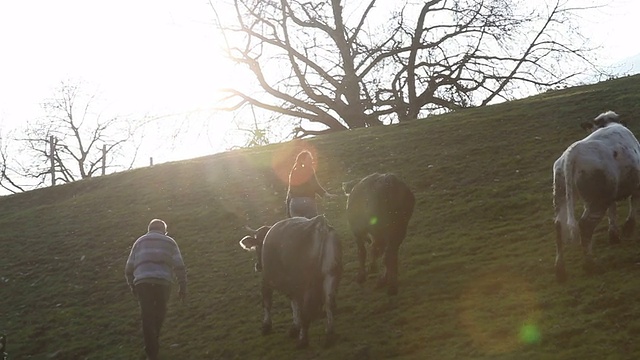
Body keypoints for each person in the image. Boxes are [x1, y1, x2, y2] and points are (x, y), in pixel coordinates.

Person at [125, 219, 187, 360]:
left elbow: (129, 268)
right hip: (163, 282)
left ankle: (151, 352)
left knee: (146, 316)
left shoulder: (139, 242)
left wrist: (132, 285)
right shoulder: (170, 241)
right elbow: (179, 265)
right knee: (160, 313)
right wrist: (182, 286)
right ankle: (154, 343)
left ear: (149, 229)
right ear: (164, 230)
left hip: (143, 282)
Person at [285, 150, 335, 218]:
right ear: (302, 160)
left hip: (294, 204)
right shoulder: (309, 170)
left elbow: (290, 192)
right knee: (311, 225)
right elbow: (315, 185)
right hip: (307, 202)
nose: (311, 161)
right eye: (309, 159)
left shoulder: (293, 172)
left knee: (298, 226)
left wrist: (288, 209)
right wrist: (325, 194)